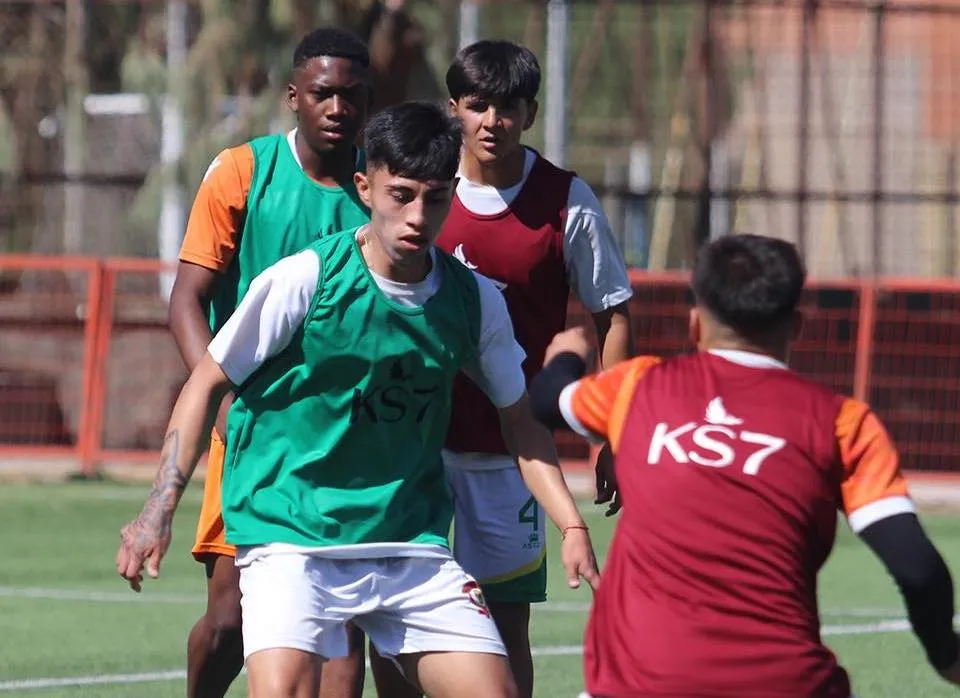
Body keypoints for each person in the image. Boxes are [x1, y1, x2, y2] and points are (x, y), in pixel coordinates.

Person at [117, 100, 600, 698]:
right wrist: (157, 511)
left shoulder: (471, 300)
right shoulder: (306, 280)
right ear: (365, 187)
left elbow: (520, 422)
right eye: (401, 195)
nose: (418, 216)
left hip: (408, 545)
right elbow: (205, 382)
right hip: (292, 537)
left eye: (434, 197)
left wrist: (571, 523)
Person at [528, 233, 960, 697]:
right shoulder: (844, 423)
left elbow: (547, 401)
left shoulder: (640, 387)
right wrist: (945, 656)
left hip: (639, 686)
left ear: (695, 324)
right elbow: (917, 568)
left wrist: (568, 353)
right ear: (796, 326)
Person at [369, 39, 634, 698]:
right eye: (477, 105)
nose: (492, 121)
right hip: (416, 449)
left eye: (508, 107)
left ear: (531, 113)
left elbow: (614, 315)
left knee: (501, 628)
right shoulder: (420, 193)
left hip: (509, 455)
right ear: (453, 108)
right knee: (393, 628)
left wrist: (612, 432)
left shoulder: (566, 201)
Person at [164, 27, 372, 698]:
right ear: (294, 97)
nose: (337, 107)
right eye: (323, 93)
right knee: (229, 621)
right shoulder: (243, 172)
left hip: (346, 435)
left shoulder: (385, 189)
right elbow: (186, 301)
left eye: (352, 95)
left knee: (340, 637)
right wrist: (221, 400)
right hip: (251, 425)